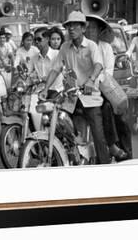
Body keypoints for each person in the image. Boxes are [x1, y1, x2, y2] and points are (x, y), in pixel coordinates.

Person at [42, 11, 111, 164]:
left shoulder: (91, 46)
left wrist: (91, 81)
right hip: (71, 97)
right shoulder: (65, 47)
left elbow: (99, 65)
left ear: (83, 28)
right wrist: (46, 88)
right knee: (59, 124)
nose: (71, 29)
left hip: (90, 97)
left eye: (75, 25)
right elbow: (55, 69)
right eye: (69, 26)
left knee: (98, 136)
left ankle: (105, 166)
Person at [85, 14, 132, 162]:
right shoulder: (80, 47)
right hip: (80, 91)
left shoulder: (105, 48)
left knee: (116, 113)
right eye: (88, 27)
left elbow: (107, 73)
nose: (90, 31)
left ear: (100, 31)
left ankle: (120, 149)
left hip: (102, 88)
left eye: (93, 27)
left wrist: (92, 82)